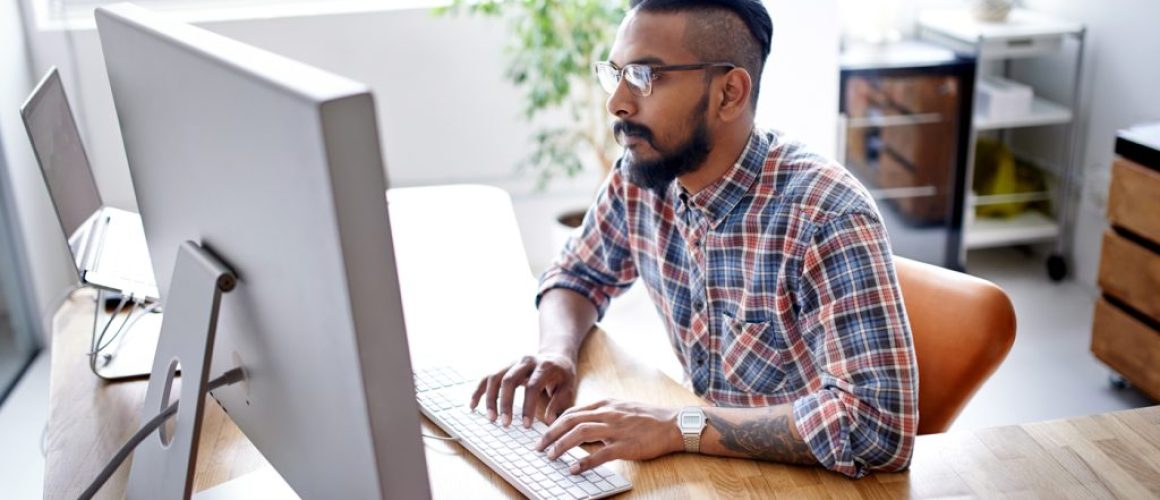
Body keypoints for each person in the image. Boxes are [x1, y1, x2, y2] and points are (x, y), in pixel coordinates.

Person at [470, 0, 917, 479]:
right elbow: (577, 274)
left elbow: (877, 427)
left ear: (729, 93)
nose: (616, 103)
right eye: (616, 74)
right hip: (710, 475)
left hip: (807, 484)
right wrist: (555, 353)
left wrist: (677, 426)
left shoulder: (826, 217)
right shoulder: (643, 177)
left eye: (644, 76)